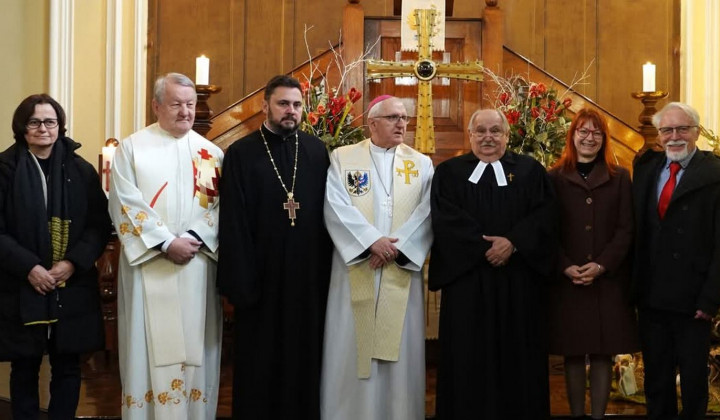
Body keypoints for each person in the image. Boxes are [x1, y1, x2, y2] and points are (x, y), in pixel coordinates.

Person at [428, 108, 557, 419]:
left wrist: (512, 243)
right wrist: (484, 247)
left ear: (507, 135)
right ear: (469, 135)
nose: (488, 137)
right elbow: (444, 219)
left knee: (519, 357)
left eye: (495, 131)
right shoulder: (449, 173)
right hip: (468, 283)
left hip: (519, 283)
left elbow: (545, 216)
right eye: (481, 131)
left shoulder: (530, 171)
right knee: (467, 356)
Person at [109, 73, 223, 419]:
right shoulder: (132, 148)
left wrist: (195, 238)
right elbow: (124, 202)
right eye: (176, 104)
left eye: (190, 104)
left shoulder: (209, 153)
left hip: (196, 265)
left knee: (195, 350)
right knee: (148, 351)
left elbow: (220, 207)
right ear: (156, 105)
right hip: (150, 266)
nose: (185, 112)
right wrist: (164, 242)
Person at [217, 74, 332, 419]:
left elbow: (331, 217)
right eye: (283, 104)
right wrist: (242, 284)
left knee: (305, 359)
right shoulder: (241, 153)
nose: (291, 111)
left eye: (297, 105)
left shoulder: (316, 151)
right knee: (259, 362)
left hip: (308, 279)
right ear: (265, 105)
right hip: (260, 281)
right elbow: (233, 222)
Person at [321, 95, 434, 420]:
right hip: (358, 268)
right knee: (352, 347)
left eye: (404, 117)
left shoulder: (421, 163)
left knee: (400, 352)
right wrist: (371, 241)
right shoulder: (343, 158)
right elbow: (335, 207)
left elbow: (427, 213)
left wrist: (396, 248)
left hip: (399, 268)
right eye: (393, 117)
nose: (402, 124)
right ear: (372, 123)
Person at [0, 94, 110, 419]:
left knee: (68, 366)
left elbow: (98, 225)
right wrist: (30, 267)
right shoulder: (5, 169)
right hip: (21, 282)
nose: (43, 128)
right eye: (34, 122)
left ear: (60, 126)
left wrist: (71, 263)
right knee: (24, 368)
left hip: (71, 283)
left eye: (50, 121)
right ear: (22, 127)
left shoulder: (81, 169)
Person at [547, 108, 639, 420]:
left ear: (604, 139)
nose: (590, 138)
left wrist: (601, 265)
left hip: (607, 281)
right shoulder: (554, 178)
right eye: (583, 132)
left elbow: (626, 229)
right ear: (572, 137)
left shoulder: (620, 177)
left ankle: (598, 416)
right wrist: (564, 265)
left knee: (602, 353)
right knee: (573, 354)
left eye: (596, 133)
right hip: (568, 281)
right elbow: (547, 230)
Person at [633, 102, 720, 420]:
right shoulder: (646, 169)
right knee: (656, 380)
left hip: (693, 300)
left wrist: (710, 299)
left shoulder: (714, 174)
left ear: (696, 132)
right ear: (658, 135)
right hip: (652, 297)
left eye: (682, 129)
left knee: (694, 382)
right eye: (667, 130)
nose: (674, 137)